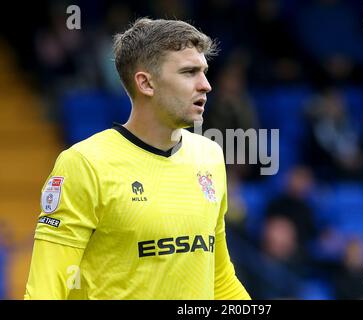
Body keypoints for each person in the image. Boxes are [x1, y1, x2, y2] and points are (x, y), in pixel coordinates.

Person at [24, 18, 251, 300]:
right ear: (145, 83)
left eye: (204, 72)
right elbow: (46, 290)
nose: (206, 85)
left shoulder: (210, 156)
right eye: (189, 72)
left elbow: (219, 279)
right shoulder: (84, 164)